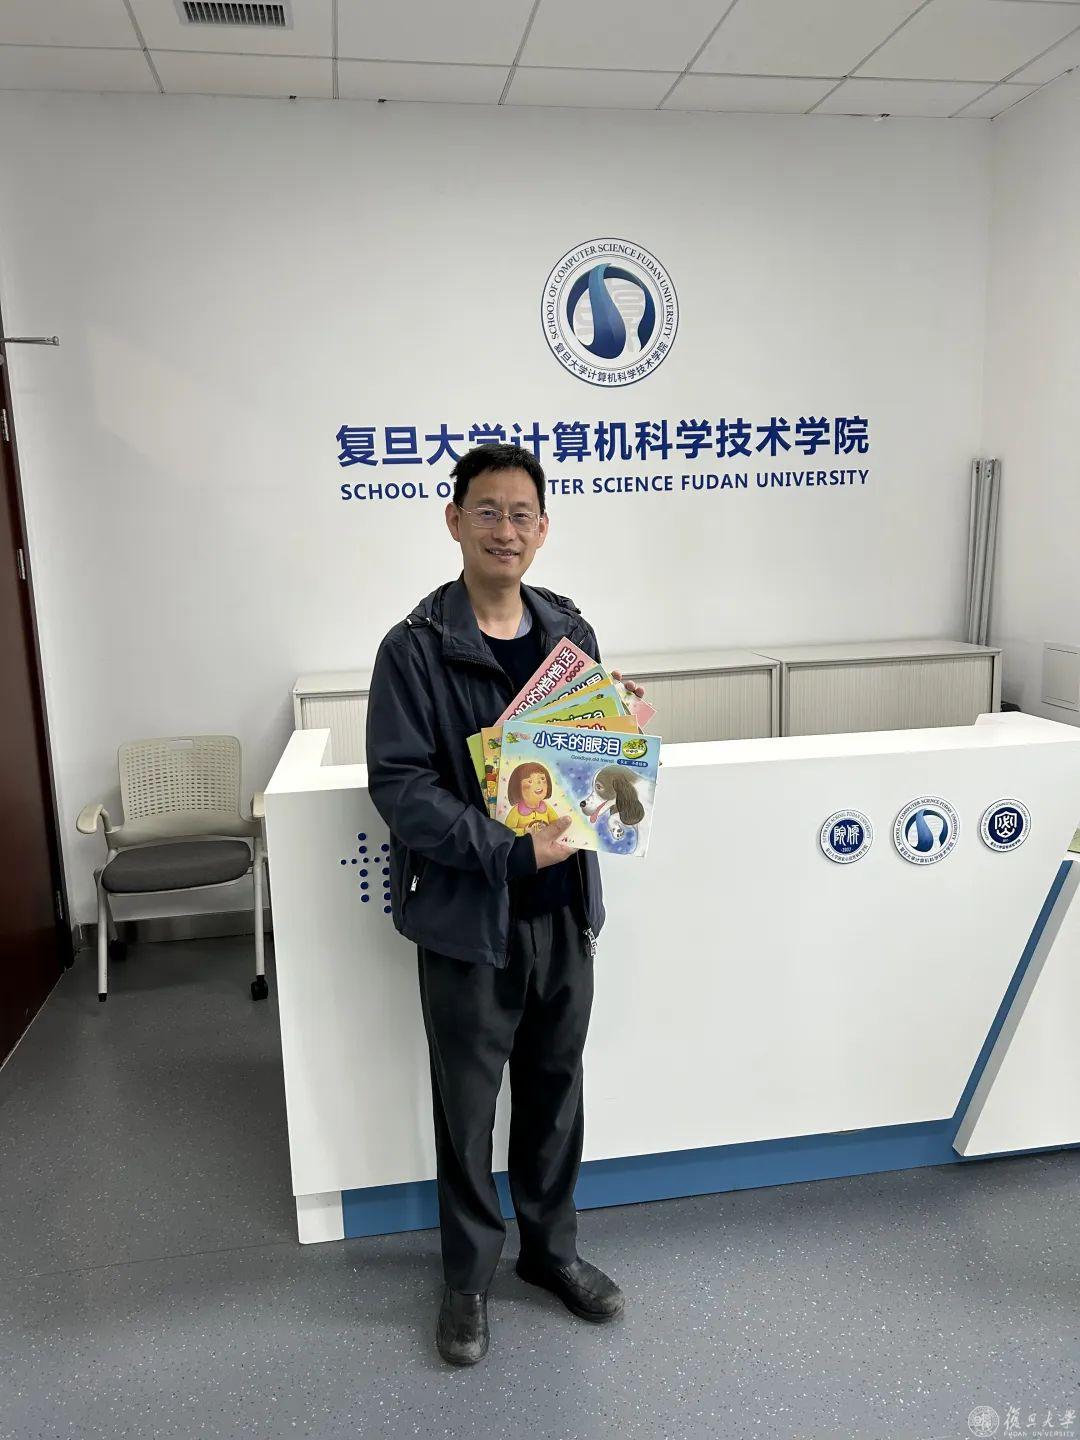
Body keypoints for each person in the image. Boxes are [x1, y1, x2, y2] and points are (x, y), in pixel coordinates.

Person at [365, 442, 646, 1366]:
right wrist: (507, 850)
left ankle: (550, 1252)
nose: (505, 529)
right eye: (486, 510)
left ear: (543, 529)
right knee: (468, 1110)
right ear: (454, 520)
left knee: (556, 1094)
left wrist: (618, 729)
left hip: (563, 908)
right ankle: (466, 1281)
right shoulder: (413, 648)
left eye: (522, 514)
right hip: (468, 919)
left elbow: (590, 769)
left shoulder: (570, 631)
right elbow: (403, 790)